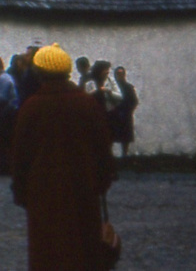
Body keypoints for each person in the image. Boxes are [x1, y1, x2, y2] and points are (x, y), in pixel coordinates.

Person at [11, 43, 117, 271]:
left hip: (43, 193)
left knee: (48, 251)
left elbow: (21, 156)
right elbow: (103, 149)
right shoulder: (86, 104)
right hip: (83, 188)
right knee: (82, 249)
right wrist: (102, 182)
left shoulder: (32, 107)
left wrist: (21, 191)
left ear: (40, 73)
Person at [111, 66, 139, 158]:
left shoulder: (128, 87)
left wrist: (127, 110)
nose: (119, 76)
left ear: (124, 75)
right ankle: (109, 156)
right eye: (117, 74)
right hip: (113, 115)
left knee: (125, 138)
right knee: (111, 136)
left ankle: (125, 156)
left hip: (125, 115)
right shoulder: (111, 88)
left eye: (121, 74)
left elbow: (134, 101)